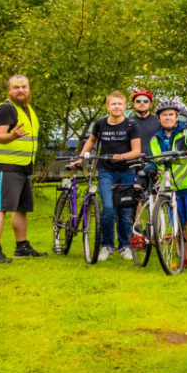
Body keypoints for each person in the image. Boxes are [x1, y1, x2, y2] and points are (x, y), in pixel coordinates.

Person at [72, 90, 143, 261]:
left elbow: (137, 151)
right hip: (105, 171)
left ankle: (125, 246)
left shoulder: (132, 125)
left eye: (120, 104)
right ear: (108, 106)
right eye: (113, 104)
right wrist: (81, 157)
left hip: (126, 170)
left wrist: (122, 157)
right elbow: (91, 141)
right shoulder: (100, 123)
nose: (117, 107)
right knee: (109, 208)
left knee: (125, 211)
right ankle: (106, 245)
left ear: (125, 106)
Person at [0, 75, 44, 263]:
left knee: (21, 208)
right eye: (16, 87)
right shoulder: (6, 108)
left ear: (29, 89)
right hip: (6, 165)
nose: (20, 90)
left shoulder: (26, 109)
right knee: (0, 207)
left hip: (24, 166)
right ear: (8, 90)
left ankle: (22, 246)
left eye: (24, 87)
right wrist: (13, 136)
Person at [148, 101, 187, 272]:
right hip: (170, 188)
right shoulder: (154, 139)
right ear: (159, 118)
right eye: (164, 115)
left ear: (176, 116)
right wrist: (149, 169)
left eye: (171, 114)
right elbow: (152, 160)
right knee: (179, 226)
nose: (168, 117)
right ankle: (186, 258)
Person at [129, 89, 162, 155]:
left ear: (150, 104)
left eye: (145, 101)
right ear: (134, 104)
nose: (142, 103)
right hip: (132, 162)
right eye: (138, 101)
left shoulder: (159, 121)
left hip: (154, 161)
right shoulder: (127, 122)